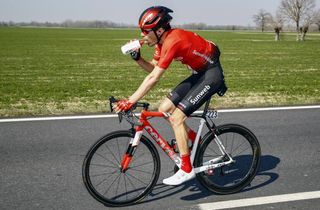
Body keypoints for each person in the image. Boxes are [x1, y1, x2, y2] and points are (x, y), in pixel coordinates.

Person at [114, 6, 226, 185]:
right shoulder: (161, 42)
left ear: (159, 30)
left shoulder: (173, 40)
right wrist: (138, 59)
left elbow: (154, 78)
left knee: (176, 118)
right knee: (164, 109)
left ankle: (187, 169)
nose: (143, 36)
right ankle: (192, 142)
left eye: (145, 32)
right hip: (200, 73)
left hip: (211, 75)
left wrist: (130, 101)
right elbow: (153, 68)